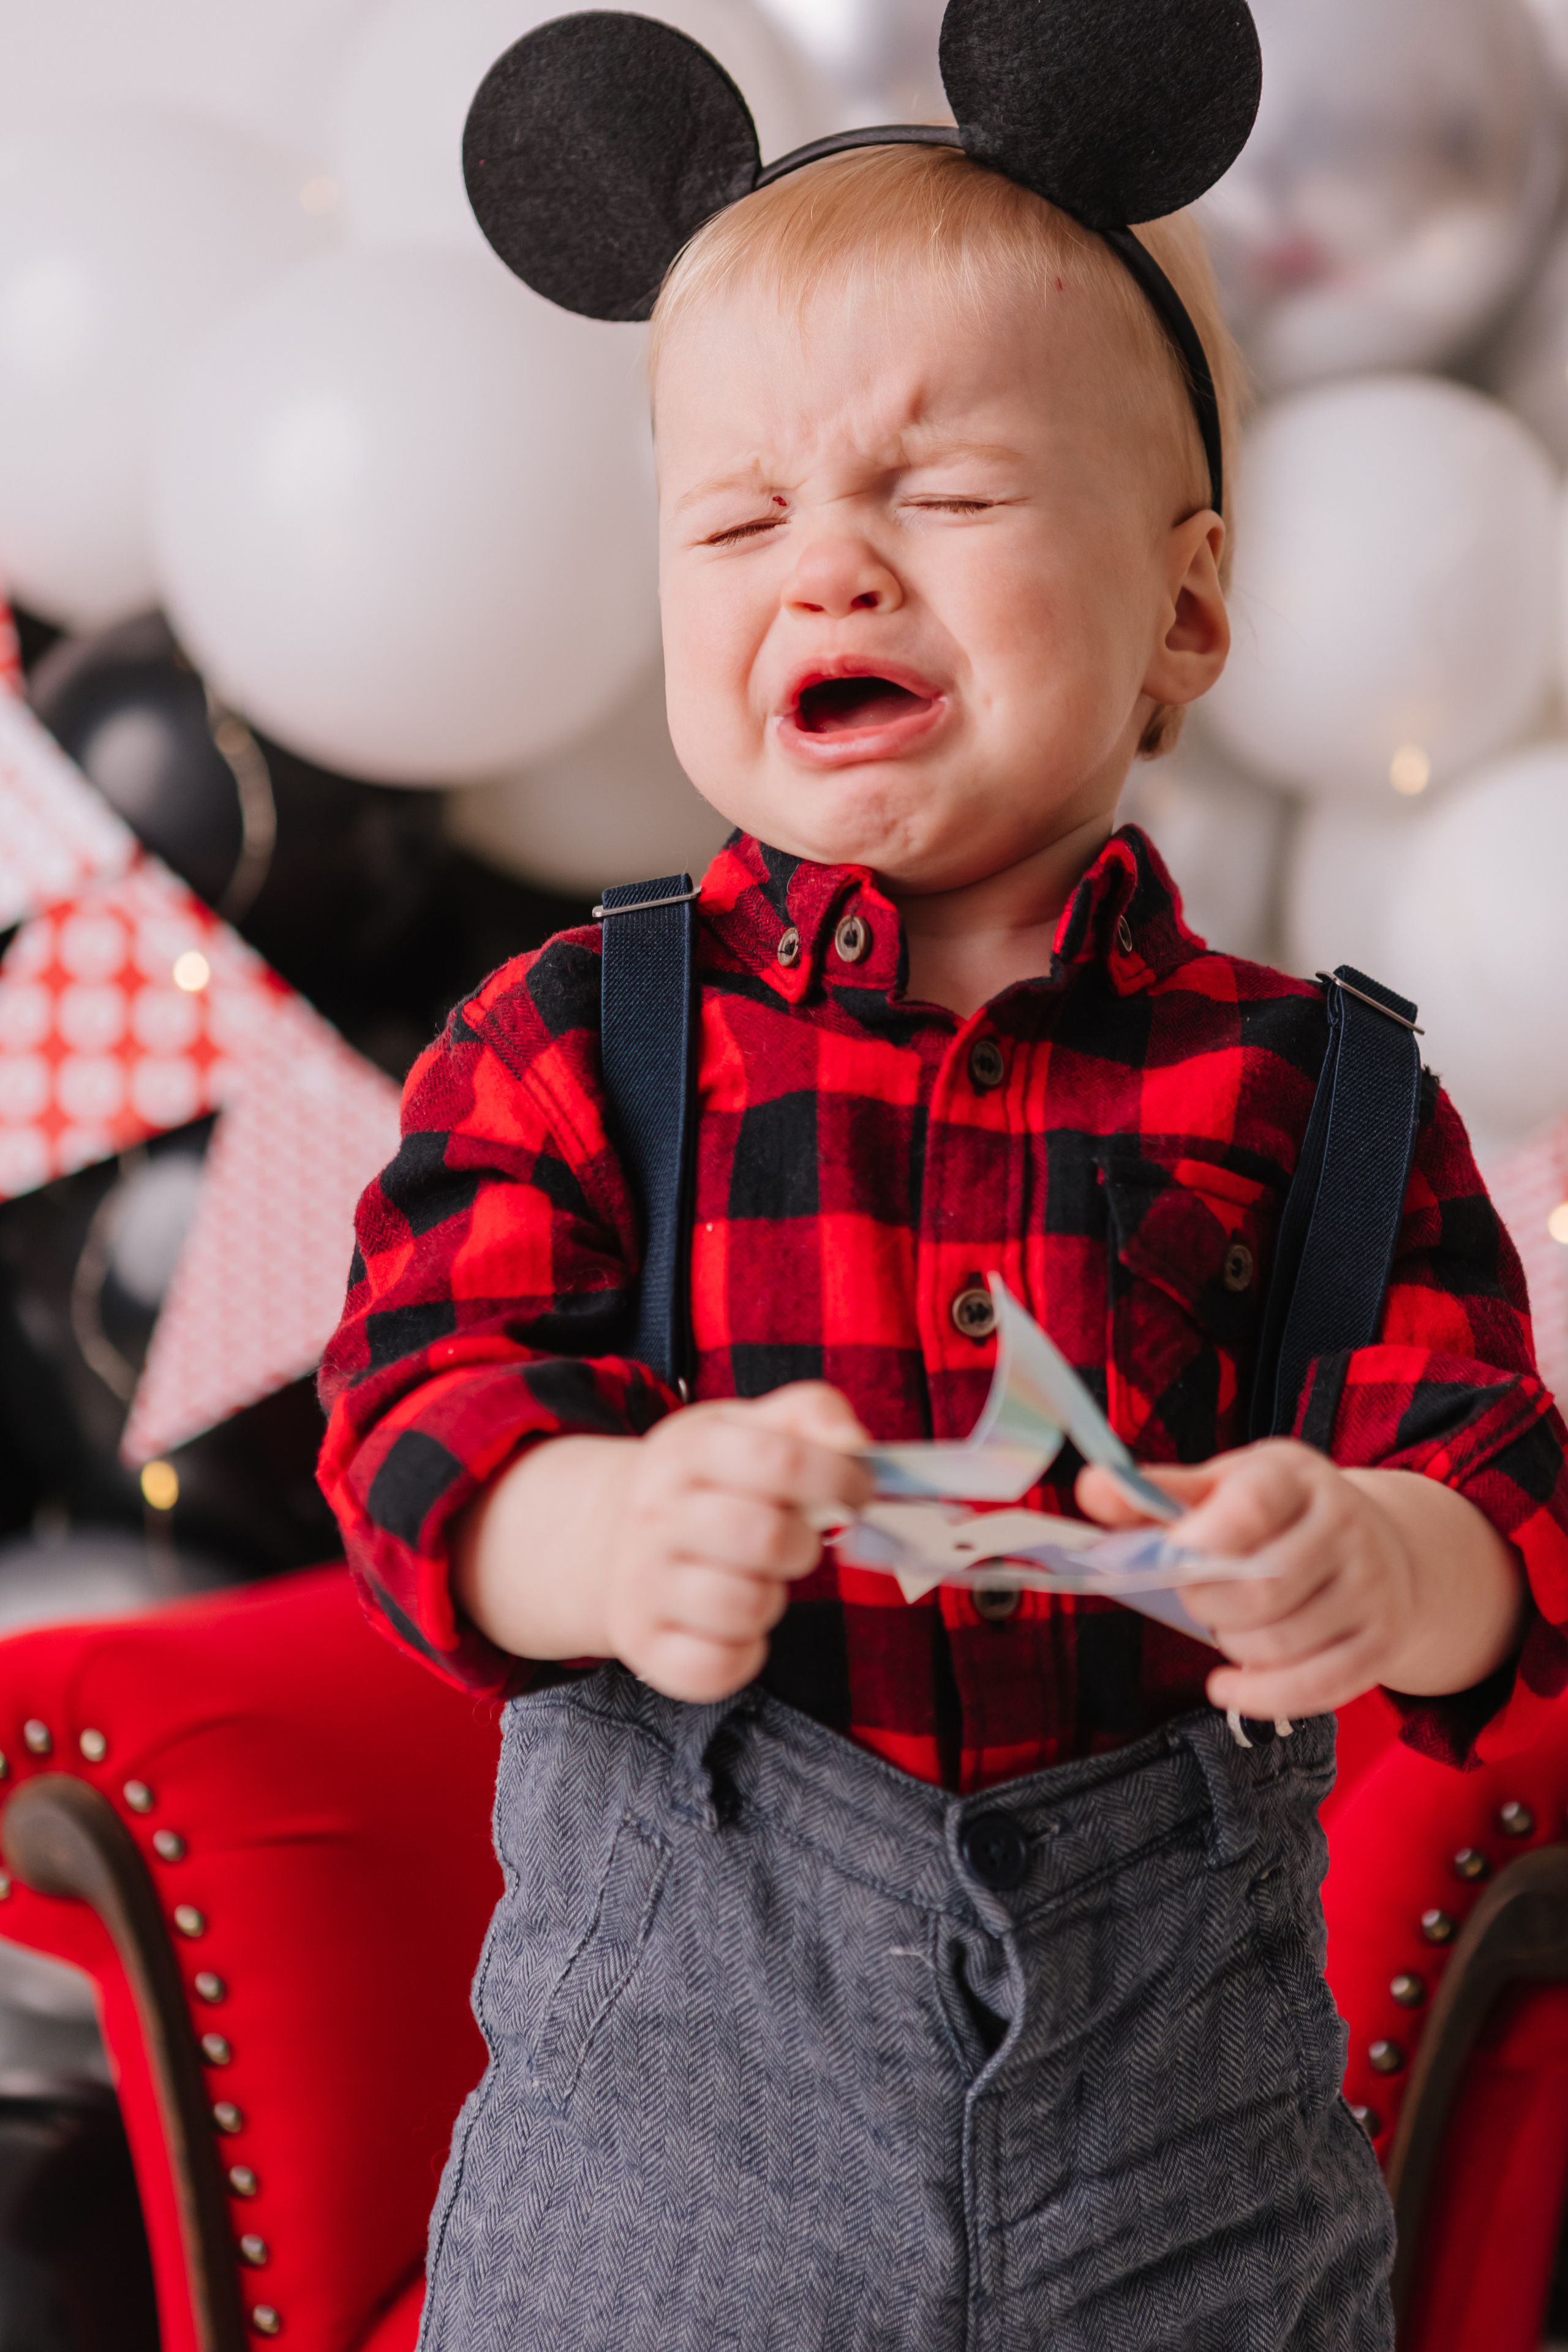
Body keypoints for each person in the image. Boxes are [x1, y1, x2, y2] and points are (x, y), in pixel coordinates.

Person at [317, 24, 1568, 2350]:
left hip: (1192, 2205)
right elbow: (412, 1434)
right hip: (663, 2179)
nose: (830, 566)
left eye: (948, 495)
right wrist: (608, 1529)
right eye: (737, 517)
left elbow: (1509, 1506)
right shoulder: (573, 1045)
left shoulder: (1320, 1091)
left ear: (1188, 608)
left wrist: (1381, 1563)